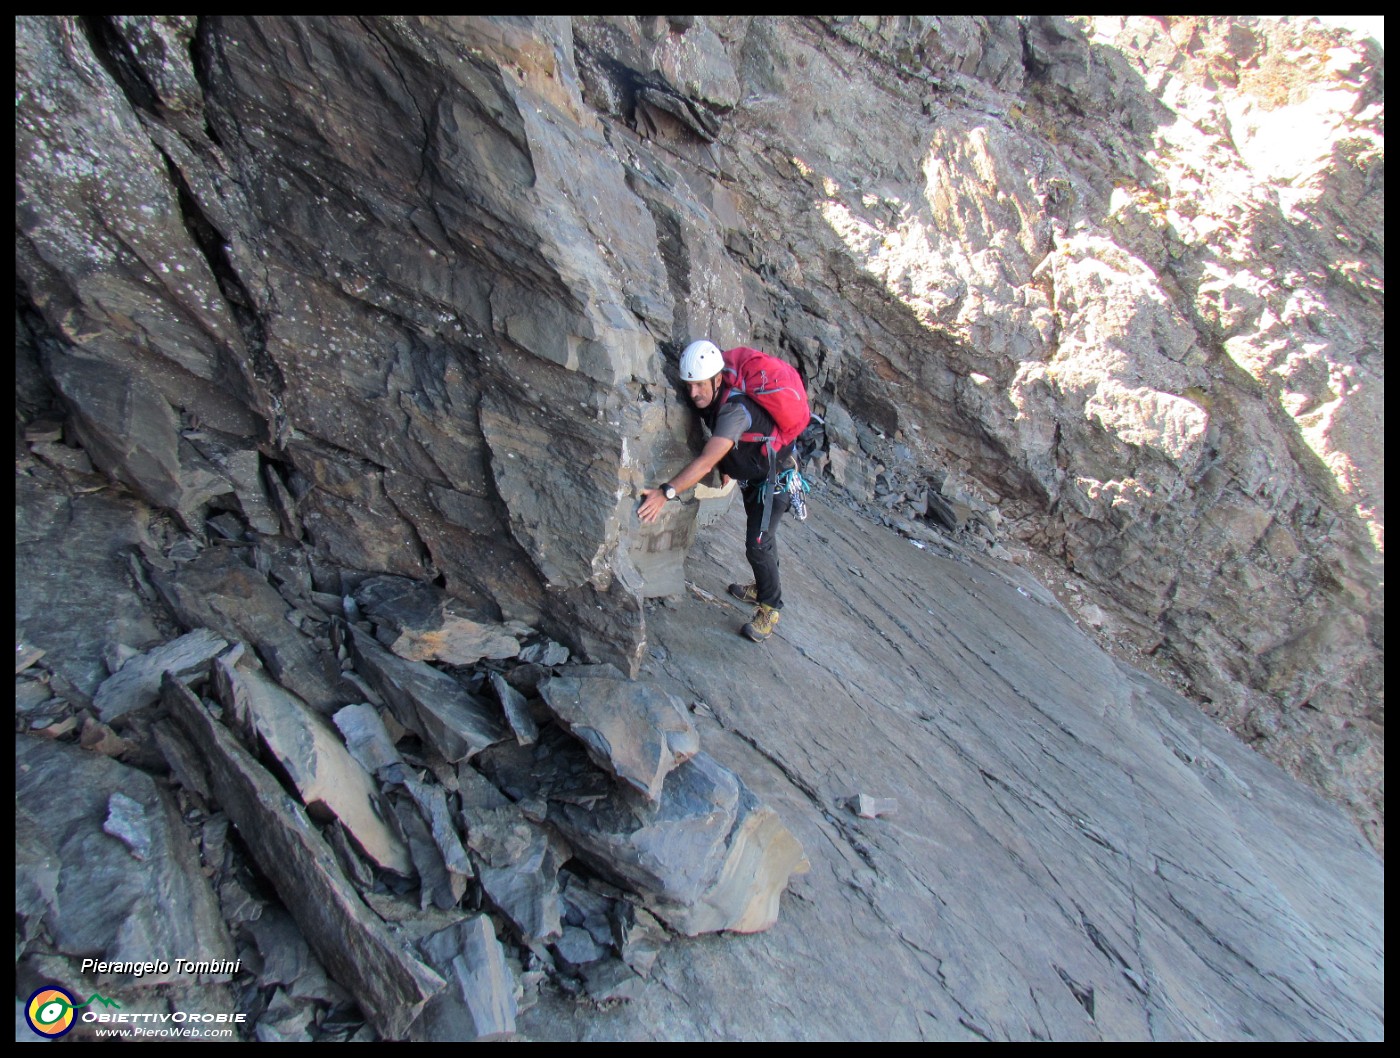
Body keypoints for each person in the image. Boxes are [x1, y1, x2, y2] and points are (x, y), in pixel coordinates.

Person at [638, 339, 796, 643]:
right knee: (763, 539)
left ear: (718, 379)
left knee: (758, 545)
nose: (693, 393)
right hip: (757, 478)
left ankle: (770, 607)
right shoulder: (716, 400)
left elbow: (706, 458)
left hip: (774, 481)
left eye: (699, 385)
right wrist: (729, 468)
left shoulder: (734, 409)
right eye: (689, 386)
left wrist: (665, 492)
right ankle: (764, 587)